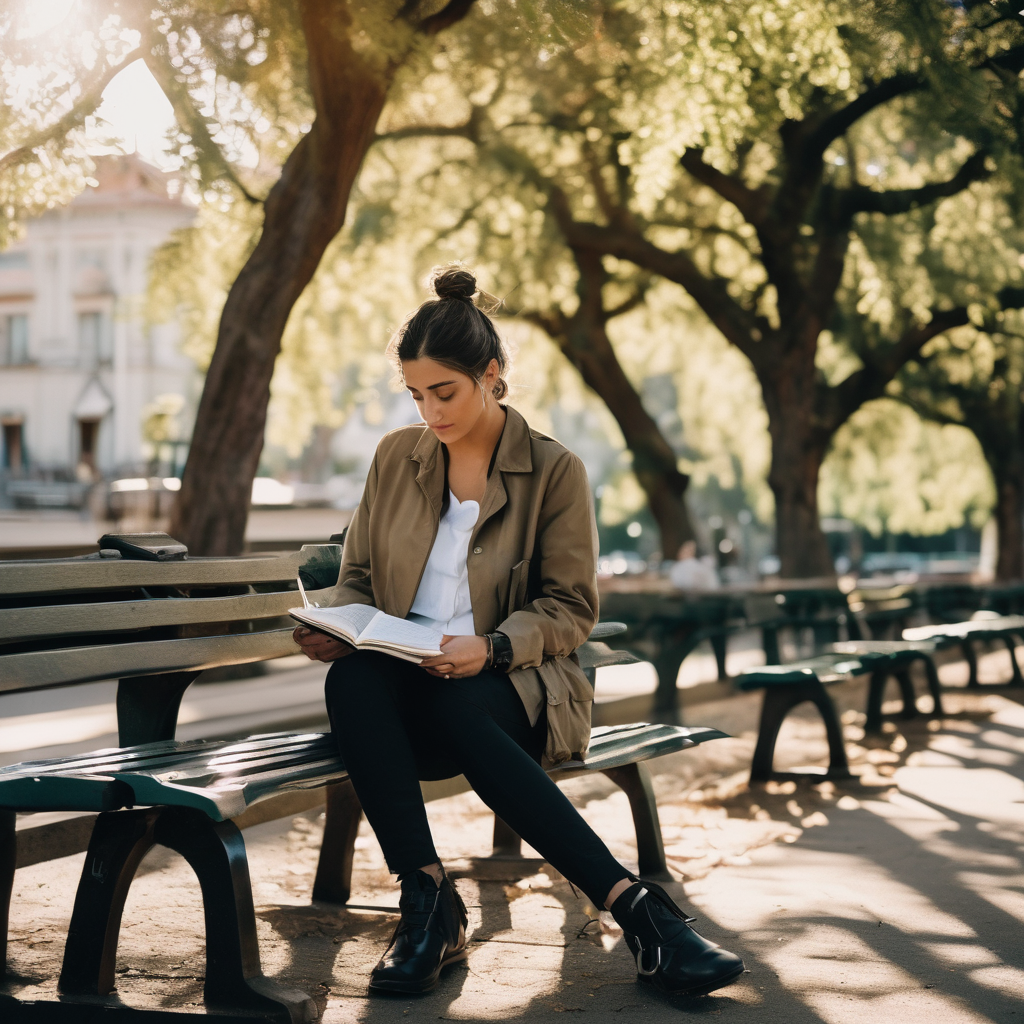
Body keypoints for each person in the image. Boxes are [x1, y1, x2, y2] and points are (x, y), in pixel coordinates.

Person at [294, 265, 744, 998]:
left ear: (491, 375)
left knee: (458, 702)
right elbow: (359, 578)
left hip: (511, 689)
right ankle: (428, 900)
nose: (430, 412)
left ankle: (637, 913)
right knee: (353, 678)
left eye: (445, 391)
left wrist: (491, 647)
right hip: (406, 691)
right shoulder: (393, 458)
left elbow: (570, 605)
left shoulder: (554, 471)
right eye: (415, 394)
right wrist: (336, 625)